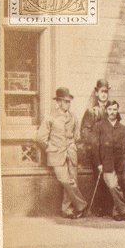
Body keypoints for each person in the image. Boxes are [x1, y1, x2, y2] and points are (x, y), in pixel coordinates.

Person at [36, 88, 88, 219]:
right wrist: (50, 148)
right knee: (65, 180)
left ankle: (67, 210)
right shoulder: (50, 117)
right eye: (65, 101)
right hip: (56, 154)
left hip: (71, 153)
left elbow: (77, 137)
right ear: (58, 102)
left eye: (69, 102)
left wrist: (75, 148)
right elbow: (40, 137)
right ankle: (82, 204)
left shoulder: (73, 117)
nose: (68, 104)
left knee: (73, 181)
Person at [92, 100, 125, 221]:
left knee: (121, 185)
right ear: (106, 110)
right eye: (110, 109)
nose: (112, 112)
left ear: (117, 110)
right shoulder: (99, 126)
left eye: (114, 109)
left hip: (121, 163)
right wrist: (99, 163)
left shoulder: (122, 128)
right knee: (113, 186)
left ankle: (117, 213)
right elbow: (95, 147)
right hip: (106, 164)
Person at [80, 79, 110, 215]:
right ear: (97, 93)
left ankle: (110, 206)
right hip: (96, 151)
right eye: (102, 92)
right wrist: (96, 144)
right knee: (99, 177)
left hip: (109, 151)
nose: (104, 95)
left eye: (106, 92)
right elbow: (85, 132)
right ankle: (99, 208)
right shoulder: (91, 111)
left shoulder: (112, 109)